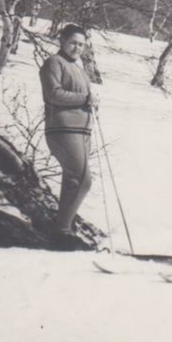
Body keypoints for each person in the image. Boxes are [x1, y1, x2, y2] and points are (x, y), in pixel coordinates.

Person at [39, 24, 100, 251]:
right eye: (73, 42)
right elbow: (53, 94)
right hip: (63, 128)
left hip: (82, 129)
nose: (77, 47)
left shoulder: (79, 67)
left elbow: (83, 96)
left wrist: (91, 102)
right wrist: (84, 99)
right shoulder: (54, 63)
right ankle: (61, 231)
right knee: (83, 178)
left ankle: (65, 229)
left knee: (73, 179)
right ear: (62, 40)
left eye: (82, 44)